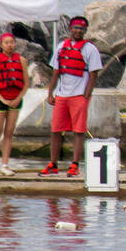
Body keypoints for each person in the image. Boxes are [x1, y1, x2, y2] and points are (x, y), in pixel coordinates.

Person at [40, 16, 103, 176]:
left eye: (81, 28)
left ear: (85, 31)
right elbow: (55, 72)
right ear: (70, 28)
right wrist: (50, 93)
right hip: (61, 95)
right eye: (75, 27)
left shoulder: (90, 49)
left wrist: (86, 96)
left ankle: (74, 164)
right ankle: (53, 164)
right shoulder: (61, 47)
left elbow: (94, 74)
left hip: (79, 96)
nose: (78, 31)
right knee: (55, 129)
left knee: (78, 131)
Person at [0, 31, 28, 176]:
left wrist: (17, 99)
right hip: (0, 99)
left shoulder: (21, 60)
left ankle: (5, 165)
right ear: (1, 45)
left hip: (15, 99)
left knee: (9, 132)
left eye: (12, 42)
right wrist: (1, 98)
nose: (10, 45)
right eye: (7, 43)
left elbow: (26, 84)